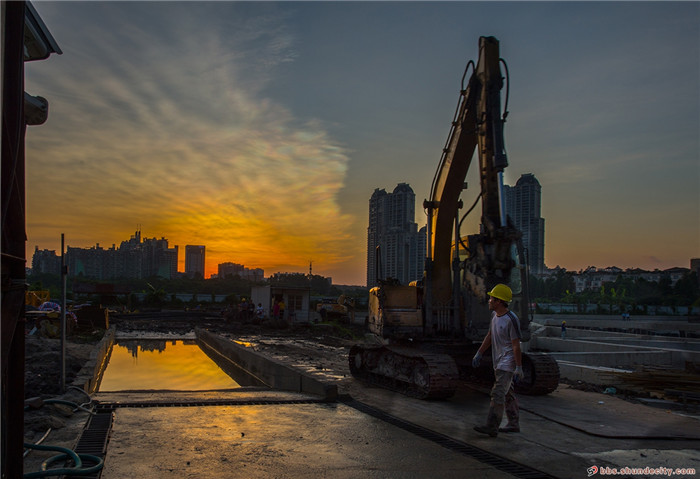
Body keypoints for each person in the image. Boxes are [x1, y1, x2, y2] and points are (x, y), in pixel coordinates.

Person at [472, 284, 523, 437]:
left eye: (491, 298)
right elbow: (490, 335)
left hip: (507, 363)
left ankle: (492, 426)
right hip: (498, 361)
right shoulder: (495, 317)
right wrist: (479, 353)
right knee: (508, 393)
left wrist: (518, 367)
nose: (489, 301)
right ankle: (513, 424)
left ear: (499, 301)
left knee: (498, 393)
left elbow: (516, 346)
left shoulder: (511, 320)